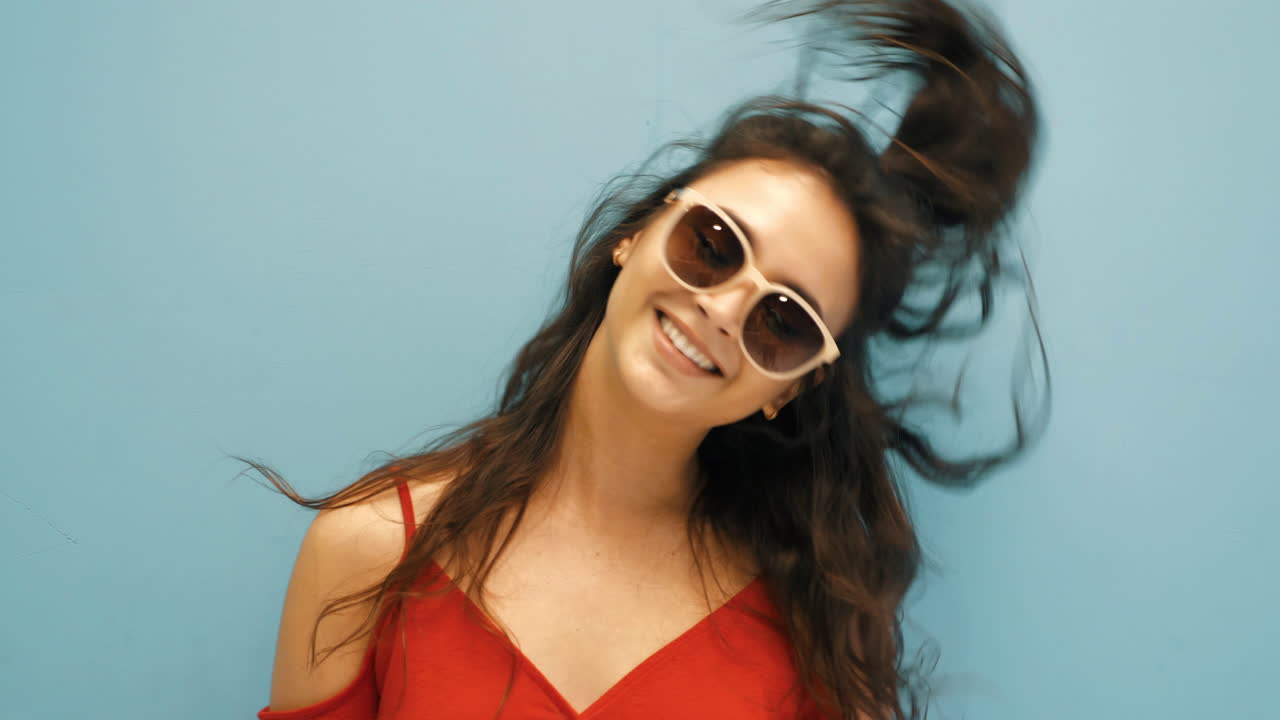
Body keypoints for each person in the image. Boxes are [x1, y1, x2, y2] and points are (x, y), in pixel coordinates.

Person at [245, 1, 1047, 718]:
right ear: (636, 236)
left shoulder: (816, 646)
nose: (725, 309)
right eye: (714, 244)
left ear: (794, 387)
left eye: (783, 319)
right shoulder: (370, 552)